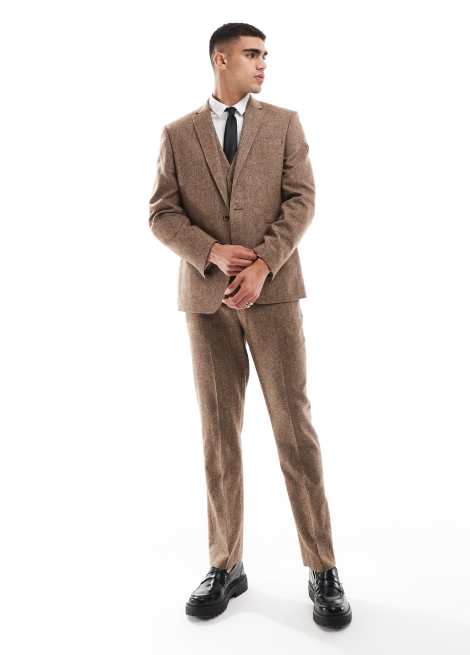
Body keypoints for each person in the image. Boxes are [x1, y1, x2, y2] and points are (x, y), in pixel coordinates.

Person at [148, 22, 352, 629]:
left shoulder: (284, 124)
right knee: (219, 434)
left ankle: (322, 568)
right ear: (221, 59)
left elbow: (301, 201)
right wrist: (209, 252)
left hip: (275, 297)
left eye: (265, 54)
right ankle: (225, 563)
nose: (263, 63)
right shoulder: (178, 133)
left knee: (294, 429)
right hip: (206, 303)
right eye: (252, 54)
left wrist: (264, 263)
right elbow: (161, 213)